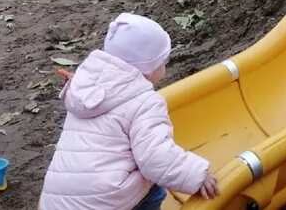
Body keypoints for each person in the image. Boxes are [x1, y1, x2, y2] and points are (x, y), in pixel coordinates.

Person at [40, 13, 219, 209]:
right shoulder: (145, 103)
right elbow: (156, 158)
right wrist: (196, 175)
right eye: (163, 62)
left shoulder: (84, 90)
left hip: (56, 201)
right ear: (149, 69)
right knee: (153, 187)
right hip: (107, 203)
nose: (165, 66)